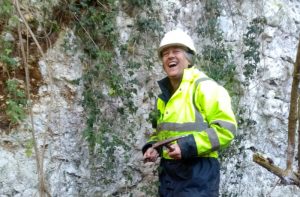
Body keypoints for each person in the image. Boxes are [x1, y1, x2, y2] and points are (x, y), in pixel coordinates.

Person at [142, 29, 237, 197]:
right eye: (165, 53)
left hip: (198, 175)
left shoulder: (205, 87)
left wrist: (186, 146)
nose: (170, 56)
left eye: (176, 51)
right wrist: (153, 147)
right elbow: (161, 133)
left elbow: (226, 129)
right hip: (169, 178)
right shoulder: (164, 97)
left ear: (189, 58)